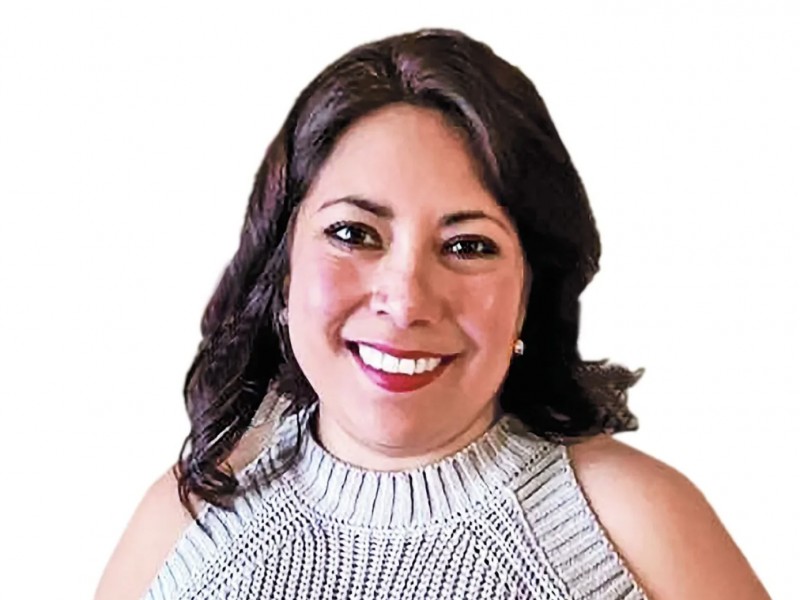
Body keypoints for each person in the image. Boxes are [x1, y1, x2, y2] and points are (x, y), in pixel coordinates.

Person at [95, 28, 769, 599]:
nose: (406, 300)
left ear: (530, 289)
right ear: (284, 262)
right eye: (354, 234)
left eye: (468, 246)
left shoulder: (637, 527)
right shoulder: (188, 516)